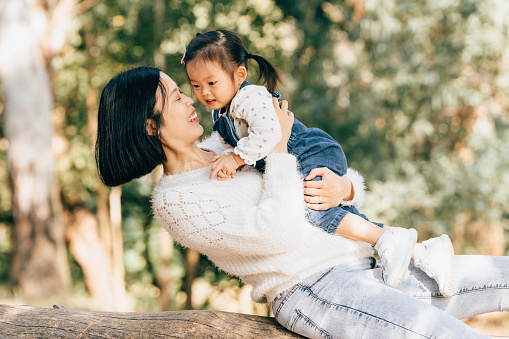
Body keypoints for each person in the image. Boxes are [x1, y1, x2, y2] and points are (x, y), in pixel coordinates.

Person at [95, 66, 509, 338]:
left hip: (374, 261)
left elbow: (319, 183)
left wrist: (344, 188)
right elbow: (278, 231)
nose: (190, 100)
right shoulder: (175, 201)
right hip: (320, 291)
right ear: (150, 125)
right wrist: (275, 149)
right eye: (174, 97)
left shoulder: (225, 142)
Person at [180, 30, 453, 293]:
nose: (204, 93)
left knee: (315, 211)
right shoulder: (221, 112)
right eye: (195, 85)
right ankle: (420, 252)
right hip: (300, 158)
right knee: (336, 216)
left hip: (310, 152)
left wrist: (236, 158)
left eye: (212, 83)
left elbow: (271, 133)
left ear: (240, 75)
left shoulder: (249, 99)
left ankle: (387, 240)